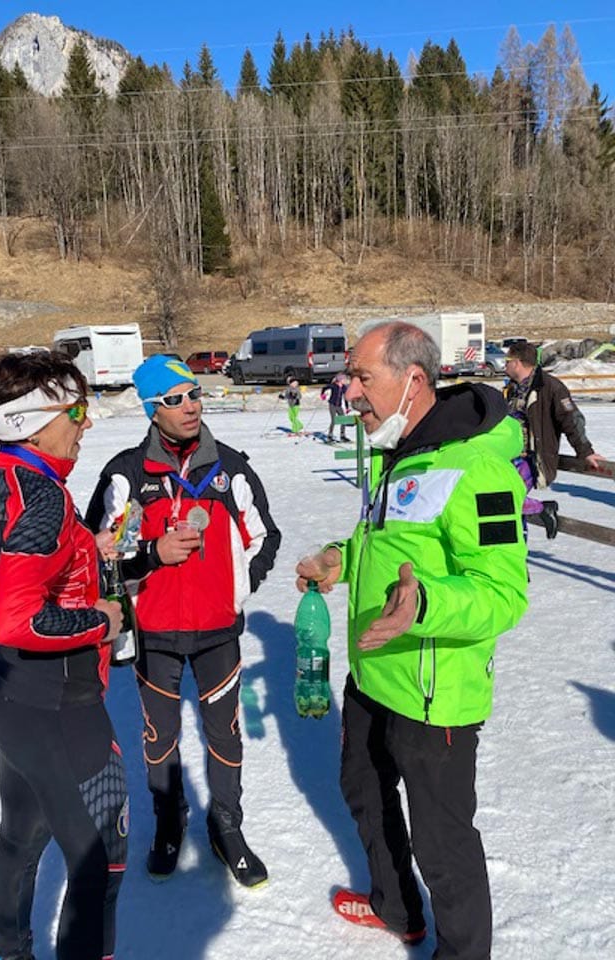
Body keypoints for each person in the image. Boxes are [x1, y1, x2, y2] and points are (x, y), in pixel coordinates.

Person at [296, 322, 529, 960]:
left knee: (442, 844)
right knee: (363, 793)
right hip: (373, 674)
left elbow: (504, 594)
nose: (349, 392)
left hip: (434, 698)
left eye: (362, 377)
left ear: (413, 380)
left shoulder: (477, 469)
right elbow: (385, 544)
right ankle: (398, 909)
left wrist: (424, 604)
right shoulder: (397, 450)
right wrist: (339, 559)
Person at [86, 354, 281, 887]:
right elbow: (101, 556)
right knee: (160, 738)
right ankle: (170, 820)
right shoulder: (128, 475)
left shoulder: (229, 468)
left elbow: (265, 536)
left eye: (194, 393)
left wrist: (235, 589)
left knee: (226, 735)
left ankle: (227, 825)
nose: (191, 406)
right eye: (175, 399)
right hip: (156, 635)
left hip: (218, 632)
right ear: (152, 409)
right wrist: (153, 553)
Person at [0, 351, 128, 960]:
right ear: (31, 423)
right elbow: (19, 618)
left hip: (11, 698)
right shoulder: (45, 499)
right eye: (76, 412)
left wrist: (85, 546)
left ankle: (9, 953)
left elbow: (18, 560)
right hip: (60, 704)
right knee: (99, 862)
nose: (88, 423)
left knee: (19, 841)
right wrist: (101, 619)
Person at [503, 340, 606, 540]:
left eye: (507, 361)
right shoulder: (512, 389)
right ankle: (518, 551)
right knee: (502, 501)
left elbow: (571, 419)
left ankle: (543, 510)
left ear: (517, 362)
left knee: (508, 498)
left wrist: (585, 451)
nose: (504, 365)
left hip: (530, 458)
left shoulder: (550, 387)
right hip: (507, 456)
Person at [320, 371, 349, 442]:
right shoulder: (333, 385)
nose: (345, 381)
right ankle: (330, 435)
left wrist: (347, 407)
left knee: (343, 419)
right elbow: (324, 388)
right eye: (344, 379)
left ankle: (342, 435)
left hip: (339, 406)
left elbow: (345, 398)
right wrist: (322, 395)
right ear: (340, 380)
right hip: (332, 405)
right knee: (334, 420)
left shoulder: (344, 387)